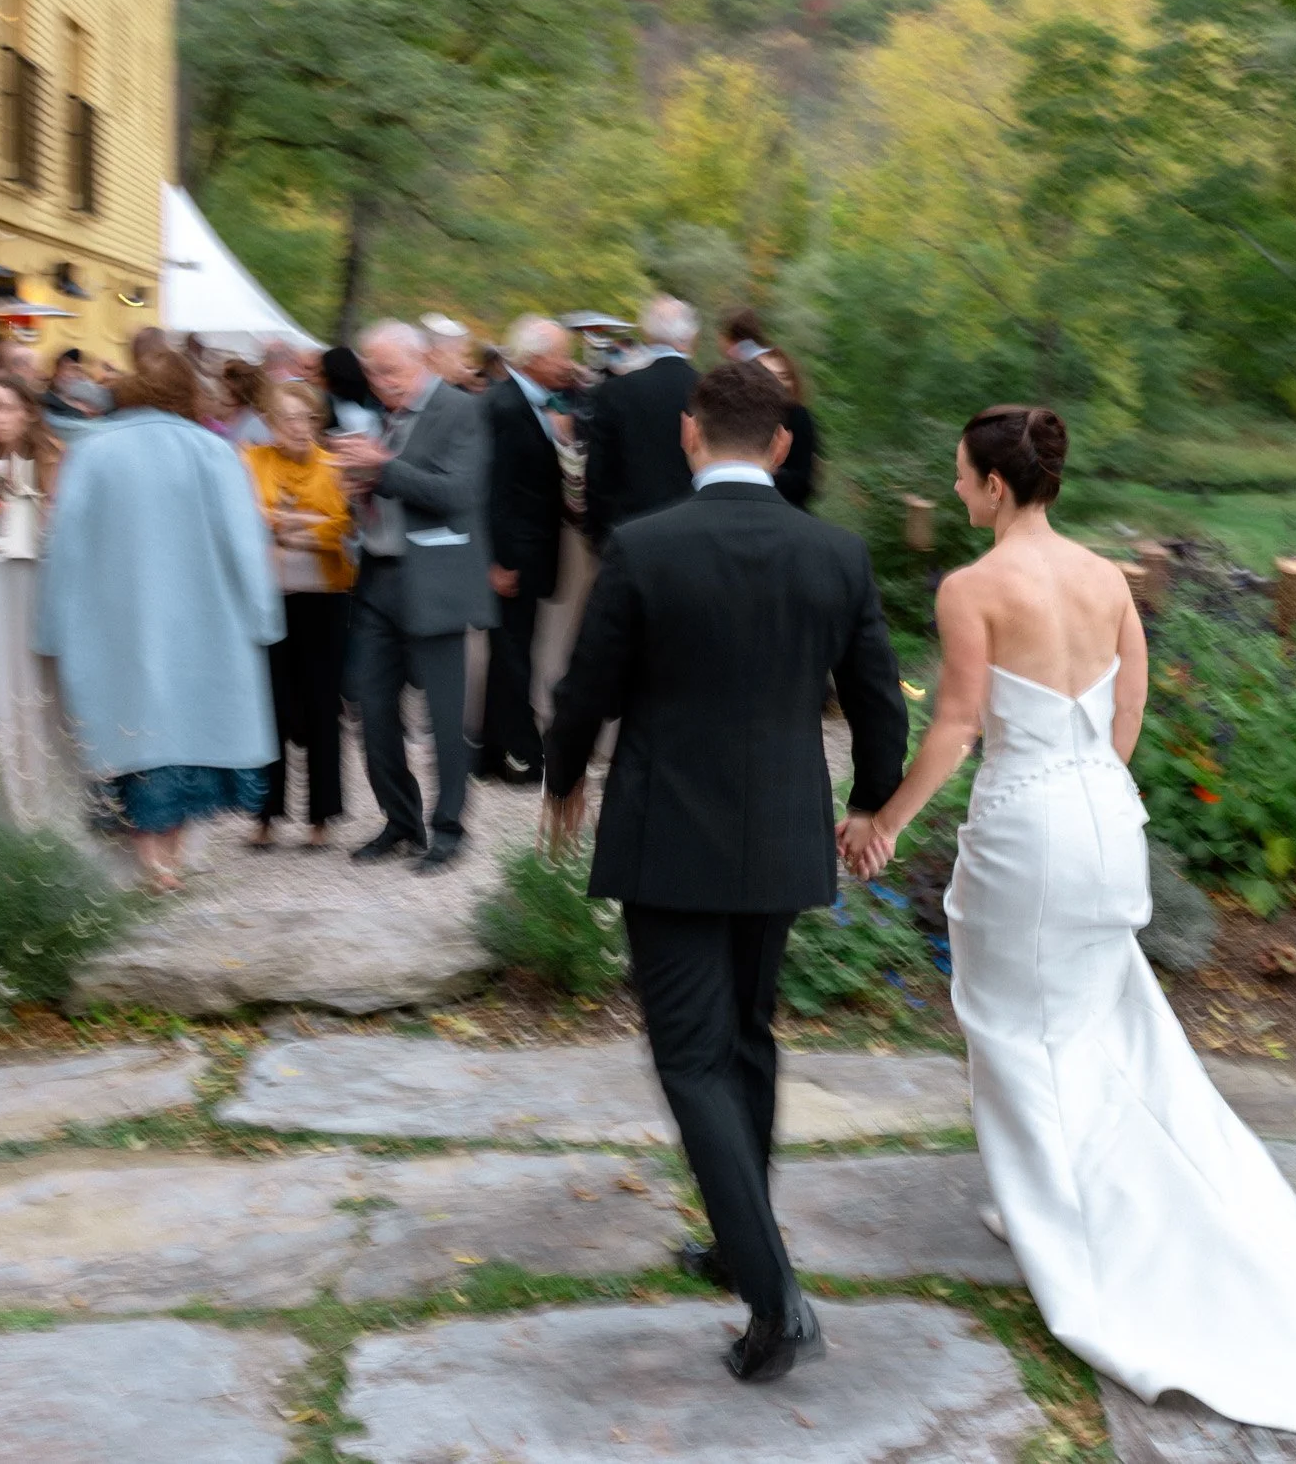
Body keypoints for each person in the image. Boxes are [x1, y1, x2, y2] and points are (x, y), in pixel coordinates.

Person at [840, 405, 1296, 1438]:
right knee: (1092, 1022)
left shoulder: (971, 587)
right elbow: (1132, 695)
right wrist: (1093, 780)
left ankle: (1074, 1231)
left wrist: (884, 818)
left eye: (965, 475)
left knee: (1017, 1027)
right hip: (1106, 819)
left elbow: (962, 725)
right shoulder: (1106, 576)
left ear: (998, 488)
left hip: (1029, 830)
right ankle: (1065, 1198)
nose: (960, 488)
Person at [541, 359, 907, 1384]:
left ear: (691, 434)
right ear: (783, 444)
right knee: (744, 1037)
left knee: (693, 1056)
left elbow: (587, 687)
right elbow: (878, 698)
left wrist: (563, 777)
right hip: (781, 832)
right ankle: (733, 1237)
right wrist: (871, 802)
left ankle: (772, 1293)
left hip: (669, 835)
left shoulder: (646, 546)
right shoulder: (833, 551)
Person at [35, 332, 281, 891]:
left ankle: (152, 864)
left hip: (113, 622)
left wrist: (51, 626)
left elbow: (64, 544)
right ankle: (167, 861)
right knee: (190, 743)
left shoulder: (92, 452)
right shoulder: (216, 452)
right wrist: (264, 618)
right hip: (205, 623)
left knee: (131, 739)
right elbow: (246, 544)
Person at [331, 320, 495, 873]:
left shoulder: (459, 410)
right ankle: (400, 821)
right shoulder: (386, 417)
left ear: (422, 359)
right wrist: (359, 490)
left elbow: (458, 493)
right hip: (378, 578)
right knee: (370, 707)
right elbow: (388, 490)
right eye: (372, 371)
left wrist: (384, 470)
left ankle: (449, 828)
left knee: (445, 716)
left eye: (390, 370)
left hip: (436, 581)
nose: (379, 381)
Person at [244, 383, 355, 848]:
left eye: (306, 418)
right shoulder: (252, 461)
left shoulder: (332, 465)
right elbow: (246, 516)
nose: (298, 427)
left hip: (325, 597)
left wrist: (298, 530)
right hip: (271, 596)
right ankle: (264, 815)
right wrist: (291, 522)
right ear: (269, 422)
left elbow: (343, 523)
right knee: (270, 706)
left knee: (321, 706)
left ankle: (321, 818)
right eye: (287, 418)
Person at [478, 315, 580, 784]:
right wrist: (495, 560)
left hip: (534, 550)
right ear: (535, 357)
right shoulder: (502, 405)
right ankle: (522, 753)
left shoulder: (540, 404)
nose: (569, 363)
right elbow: (493, 490)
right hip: (513, 554)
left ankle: (492, 749)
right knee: (513, 653)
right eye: (561, 353)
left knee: (514, 651)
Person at [0, 375, 69, 827]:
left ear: (27, 410)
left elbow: (63, 525)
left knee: (37, 686)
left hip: (34, 581)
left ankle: (45, 795)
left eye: (3, 405)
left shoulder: (49, 456)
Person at [583, 295, 700, 541]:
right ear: (689, 337)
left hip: (629, 532)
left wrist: (598, 534)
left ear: (647, 335)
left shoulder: (615, 391)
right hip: (695, 531)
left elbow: (598, 473)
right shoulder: (709, 390)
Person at [721, 310, 821, 510]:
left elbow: (805, 482)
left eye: (780, 377)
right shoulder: (740, 414)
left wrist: (764, 471)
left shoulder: (798, 418)